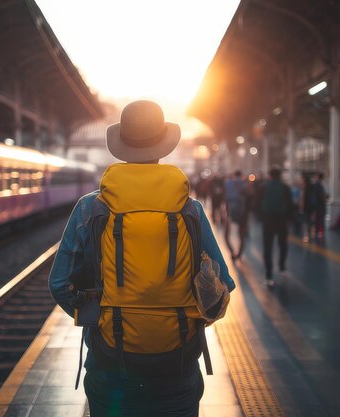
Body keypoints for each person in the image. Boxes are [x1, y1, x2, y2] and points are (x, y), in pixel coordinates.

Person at [48, 100, 235, 416]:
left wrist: (102, 317)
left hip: (110, 366)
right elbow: (223, 286)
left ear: (120, 146)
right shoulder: (190, 210)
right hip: (178, 364)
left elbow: (59, 285)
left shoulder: (90, 208)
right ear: (163, 145)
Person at [260, 166, 293, 286]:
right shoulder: (285, 187)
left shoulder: (264, 187)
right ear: (280, 176)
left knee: (268, 246)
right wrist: (289, 219)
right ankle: (282, 266)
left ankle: (269, 275)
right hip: (281, 219)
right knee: (283, 243)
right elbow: (290, 204)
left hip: (268, 219)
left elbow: (257, 202)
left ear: (270, 175)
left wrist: (261, 217)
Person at [224, 170, 249, 260]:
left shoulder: (228, 183)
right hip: (242, 212)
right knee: (241, 235)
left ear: (234, 175)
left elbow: (225, 197)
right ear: (241, 175)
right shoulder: (245, 184)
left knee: (226, 235)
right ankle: (239, 254)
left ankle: (232, 252)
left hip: (230, 211)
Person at [312, 173, 328, 239]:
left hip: (316, 206)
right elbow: (322, 196)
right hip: (320, 206)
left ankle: (317, 233)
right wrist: (326, 197)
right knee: (320, 221)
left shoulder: (315, 185)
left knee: (317, 220)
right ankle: (320, 234)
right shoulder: (319, 186)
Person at [301, 173, 315, 241]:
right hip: (312, 207)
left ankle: (307, 236)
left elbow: (304, 199)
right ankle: (311, 235)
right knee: (311, 221)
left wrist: (302, 207)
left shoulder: (306, 189)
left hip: (306, 207)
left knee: (306, 222)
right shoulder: (312, 187)